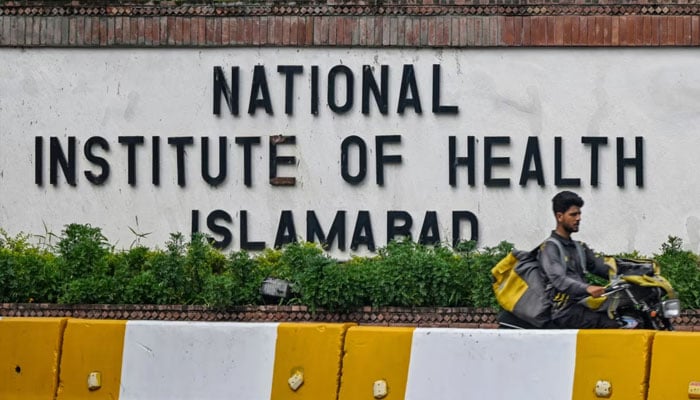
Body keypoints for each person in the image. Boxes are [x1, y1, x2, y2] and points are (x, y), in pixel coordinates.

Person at [539, 191, 624, 329]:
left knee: (628, 315)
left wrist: (636, 271)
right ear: (559, 217)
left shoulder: (579, 248)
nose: (578, 218)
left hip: (582, 305)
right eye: (573, 214)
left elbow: (603, 267)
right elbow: (559, 280)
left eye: (579, 214)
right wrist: (587, 288)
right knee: (612, 324)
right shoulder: (549, 248)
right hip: (562, 312)